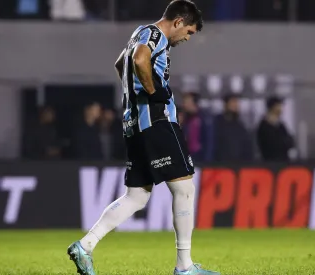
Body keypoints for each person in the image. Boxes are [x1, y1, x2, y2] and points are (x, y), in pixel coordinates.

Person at [67, 1, 220, 275]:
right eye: (188, 32)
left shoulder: (139, 32)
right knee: (184, 188)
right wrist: (152, 93)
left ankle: (86, 245)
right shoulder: (154, 35)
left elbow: (120, 63)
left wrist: (134, 96)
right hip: (157, 121)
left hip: (134, 124)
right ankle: (184, 267)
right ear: (177, 22)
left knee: (136, 196)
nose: (186, 38)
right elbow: (139, 59)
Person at [213, 94, 253, 161]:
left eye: (236, 103)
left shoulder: (240, 126)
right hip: (219, 165)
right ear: (226, 105)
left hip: (237, 165)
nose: (235, 106)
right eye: (233, 103)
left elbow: (246, 147)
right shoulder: (216, 123)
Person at [257, 96, 295, 161]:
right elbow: (268, 145)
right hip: (270, 162)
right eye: (278, 105)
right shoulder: (264, 126)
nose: (281, 108)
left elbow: (290, 142)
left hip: (283, 161)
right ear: (273, 107)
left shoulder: (281, 126)